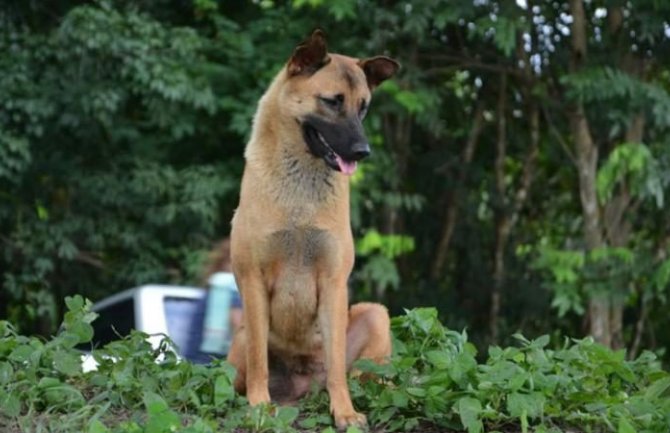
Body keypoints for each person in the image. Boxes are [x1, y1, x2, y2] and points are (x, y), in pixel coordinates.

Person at [183, 238, 243, 364]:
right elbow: (241, 330)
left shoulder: (216, 287)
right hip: (211, 367)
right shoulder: (228, 285)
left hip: (195, 365)